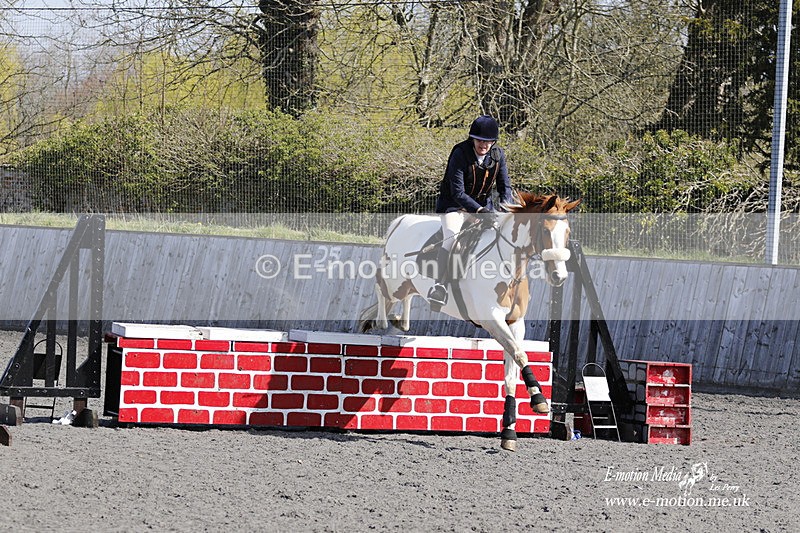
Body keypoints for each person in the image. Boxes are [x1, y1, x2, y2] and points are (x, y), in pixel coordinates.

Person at [428, 114, 513, 311]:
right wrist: (480, 210)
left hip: (484, 209)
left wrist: (506, 207)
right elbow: (457, 192)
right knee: (452, 240)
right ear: (472, 139)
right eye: (479, 140)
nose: (483, 145)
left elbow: (505, 187)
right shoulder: (460, 153)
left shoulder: (498, 155)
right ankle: (439, 286)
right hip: (455, 207)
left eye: (487, 141)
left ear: (493, 142)